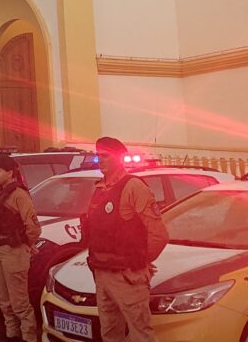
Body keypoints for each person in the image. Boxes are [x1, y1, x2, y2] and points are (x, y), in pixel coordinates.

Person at [82, 137, 169, 342]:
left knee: (140, 333)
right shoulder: (99, 189)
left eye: (105, 156)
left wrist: (140, 261)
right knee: (110, 333)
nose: (100, 160)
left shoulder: (133, 187)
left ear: (120, 158)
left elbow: (159, 235)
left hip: (127, 276)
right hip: (102, 272)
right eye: (98, 156)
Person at [0, 154, 41, 342]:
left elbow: (32, 227)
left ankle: (28, 336)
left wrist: (26, 245)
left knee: (19, 302)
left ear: (10, 172)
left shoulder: (19, 195)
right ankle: (11, 334)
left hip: (13, 251)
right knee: (4, 301)